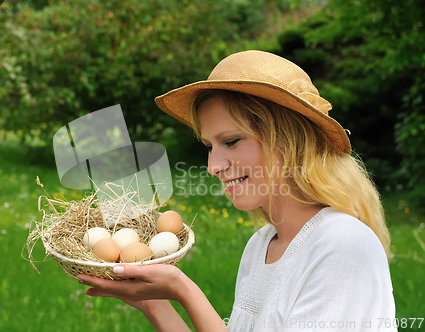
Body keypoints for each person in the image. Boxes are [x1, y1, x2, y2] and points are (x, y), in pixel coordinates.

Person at [76, 50, 396, 331]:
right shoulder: (261, 246)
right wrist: (155, 303)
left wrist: (186, 291)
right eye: (209, 146)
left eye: (230, 142)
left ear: (289, 140)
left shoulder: (342, 245)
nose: (213, 166)